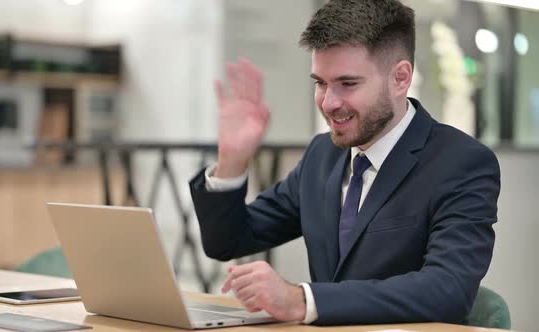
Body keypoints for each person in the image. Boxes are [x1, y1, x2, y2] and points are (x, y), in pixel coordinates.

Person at [189, 0, 500, 326]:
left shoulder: (462, 163)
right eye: (320, 83)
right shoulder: (322, 155)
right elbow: (229, 241)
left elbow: (447, 291)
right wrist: (232, 161)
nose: (329, 102)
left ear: (401, 78)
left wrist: (302, 300)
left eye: (348, 84)